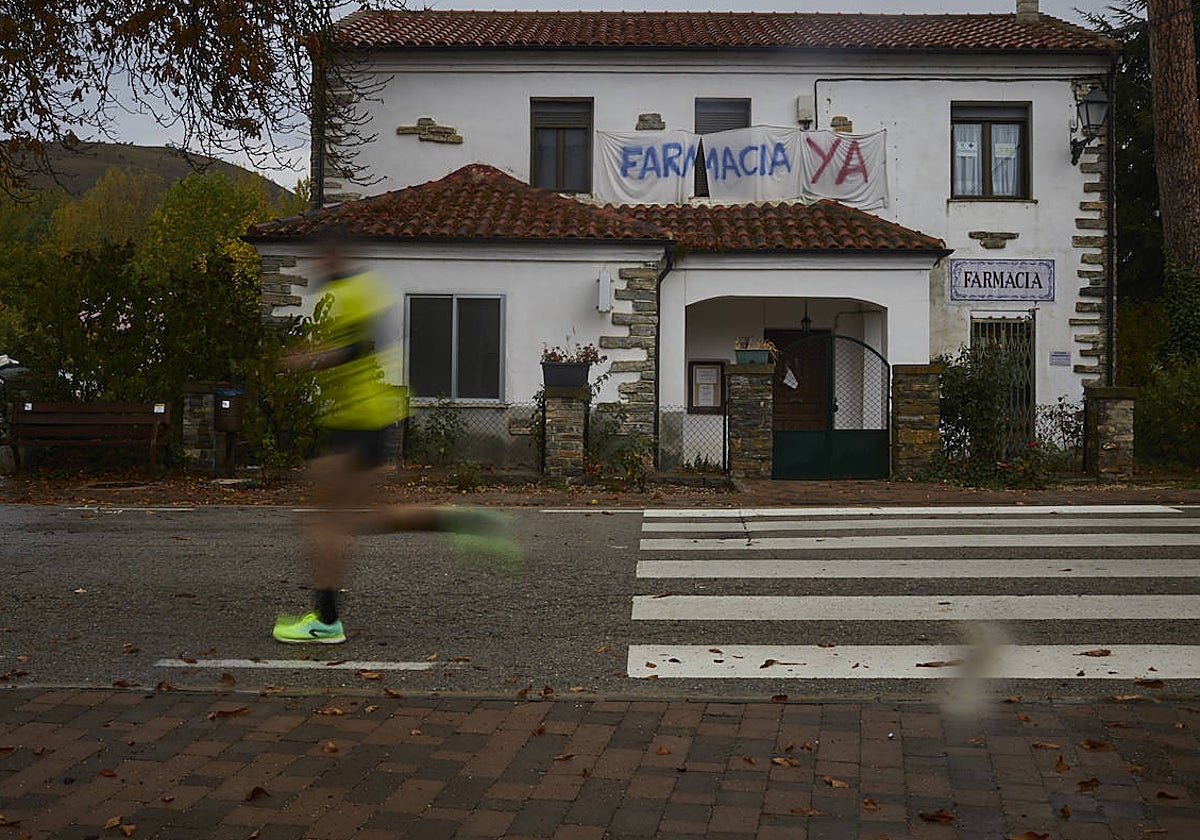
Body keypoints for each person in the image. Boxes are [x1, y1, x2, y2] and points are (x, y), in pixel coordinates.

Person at [272, 233, 519, 645]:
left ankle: (326, 620)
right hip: (355, 420)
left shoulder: (356, 291)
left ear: (338, 252)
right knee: (365, 517)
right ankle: (457, 520)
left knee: (325, 520)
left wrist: (307, 359)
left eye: (324, 251)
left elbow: (360, 346)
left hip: (358, 420)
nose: (316, 259)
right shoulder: (341, 292)